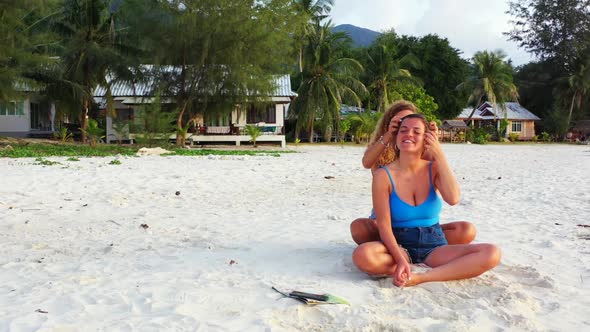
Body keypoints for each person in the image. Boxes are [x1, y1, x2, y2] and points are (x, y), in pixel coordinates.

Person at [352, 114, 501, 286]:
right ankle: (414, 266)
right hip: (400, 243)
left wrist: (439, 154)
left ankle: (422, 276)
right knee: (362, 255)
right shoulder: (382, 175)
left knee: (492, 252)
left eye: (416, 132)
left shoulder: (434, 169)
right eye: (404, 130)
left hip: (434, 244)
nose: (409, 135)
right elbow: (384, 225)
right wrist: (400, 259)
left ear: (426, 139)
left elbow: (453, 198)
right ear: (397, 136)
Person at [350, 100, 476, 245]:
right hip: (388, 220)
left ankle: (415, 242)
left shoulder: (423, 156)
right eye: (402, 125)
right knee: (359, 228)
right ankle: (396, 244)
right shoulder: (382, 151)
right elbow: (367, 162)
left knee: (466, 230)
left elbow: (440, 182)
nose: (408, 131)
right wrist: (388, 135)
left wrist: (431, 143)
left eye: (414, 127)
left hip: (419, 224)